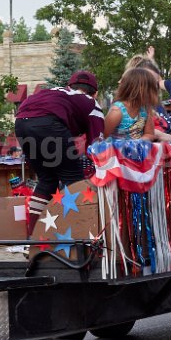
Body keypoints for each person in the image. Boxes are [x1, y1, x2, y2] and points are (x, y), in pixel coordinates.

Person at [14, 69, 105, 234]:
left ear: (69, 86)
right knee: (75, 181)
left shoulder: (56, 93)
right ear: (95, 93)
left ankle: (33, 238)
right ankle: (80, 236)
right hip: (49, 123)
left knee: (47, 180)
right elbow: (98, 146)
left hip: (21, 122)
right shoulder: (91, 103)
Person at [104, 67, 158, 140]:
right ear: (137, 89)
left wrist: (137, 143)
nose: (154, 93)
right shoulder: (117, 111)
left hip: (137, 146)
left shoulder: (146, 109)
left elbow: (150, 134)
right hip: (116, 147)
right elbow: (102, 136)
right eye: (151, 89)